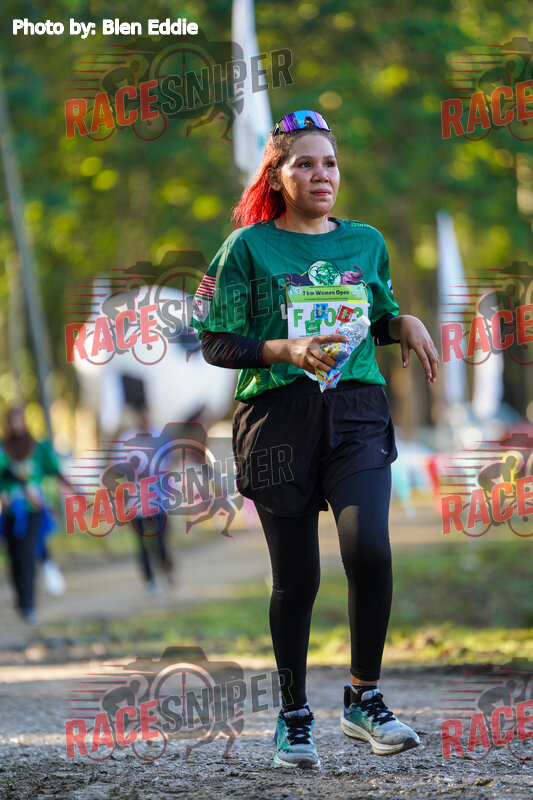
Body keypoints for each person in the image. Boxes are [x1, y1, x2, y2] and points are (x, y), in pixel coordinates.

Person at [191, 110, 439, 768]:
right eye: (304, 163)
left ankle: (364, 698)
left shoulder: (366, 242)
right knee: (297, 577)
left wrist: (404, 323)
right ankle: (293, 716)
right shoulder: (246, 248)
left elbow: (374, 317)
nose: (320, 174)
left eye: (329, 162)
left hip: (356, 411)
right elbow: (214, 340)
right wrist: (285, 348)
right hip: (279, 417)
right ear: (278, 175)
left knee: (370, 549)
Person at [0, 405, 67, 622]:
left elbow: (54, 470)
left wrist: (74, 489)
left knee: (28, 553)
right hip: (10, 512)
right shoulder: (3, 449)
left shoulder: (37, 447)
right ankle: (22, 600)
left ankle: (29, 604)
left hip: (33, 510)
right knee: (14, 556)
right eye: (11, 421)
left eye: (18, 420)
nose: (15, 425)